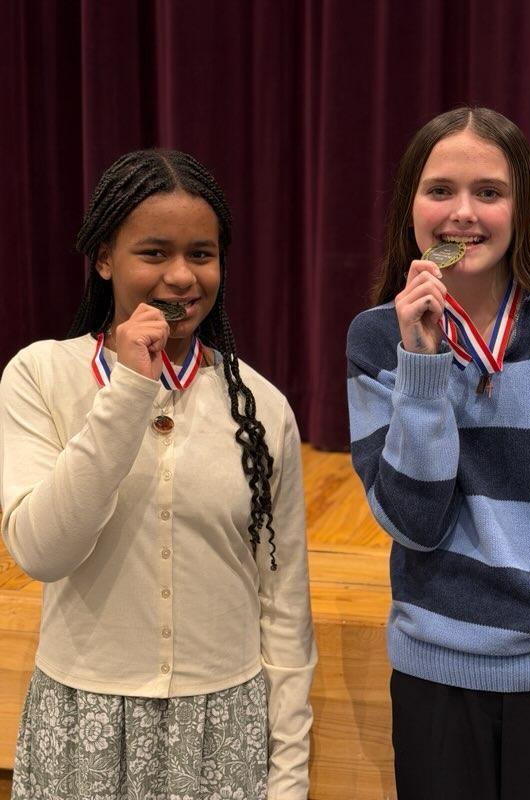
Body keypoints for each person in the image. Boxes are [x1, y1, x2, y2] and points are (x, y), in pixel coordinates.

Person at [0, 149, 316, 800]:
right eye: (154, 253)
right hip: (82, 724)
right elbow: (40, 550)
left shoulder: (263, 408)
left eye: (201, 254)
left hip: (222, 730)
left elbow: (284, 610)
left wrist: (287, 780)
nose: (181, 277)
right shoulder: (39, 376)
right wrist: (127, 392)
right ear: (105, 259)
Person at [347, 107, 530, 799]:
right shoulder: (376, 339)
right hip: (436, 669)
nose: (463, 213)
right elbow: (414, 521)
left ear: (523, 208)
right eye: (440, 191)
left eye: (489, 192)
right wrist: (422, 367)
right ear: (410, 208)